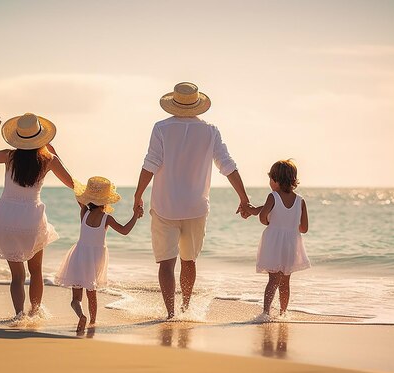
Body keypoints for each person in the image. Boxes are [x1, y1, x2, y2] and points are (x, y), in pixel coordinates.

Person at [133, 82, 259, 319]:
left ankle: (171, 313)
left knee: (166, 264)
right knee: (189, 261)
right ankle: (186, 308)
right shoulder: (210, 131)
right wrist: (244, 198)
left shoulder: (161, 128)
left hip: (164, 205)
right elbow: (227, 165)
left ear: (173, 104)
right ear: (198, 105)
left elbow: (151, 164)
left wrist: (138, 195)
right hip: (196, 207)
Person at [0, 113, 75, 320]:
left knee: (17, 276)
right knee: (36, 271)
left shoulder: (9, 156)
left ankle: (19, 315)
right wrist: (55, 154)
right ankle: (35, 311)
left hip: (5, 217)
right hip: (31, 218)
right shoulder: (48, 159)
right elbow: (71, 182)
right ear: (41, 137)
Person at [55, 176, 143, 332]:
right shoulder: (106, 218)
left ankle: (81, 315)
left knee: (75, 299)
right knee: (92, 293)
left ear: (89, 198)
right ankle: (93, 322)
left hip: (78, 256)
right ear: (106, 200)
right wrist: (135, 215)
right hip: (94, 259)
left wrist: (84, 194)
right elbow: (124, 230)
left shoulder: (84, 212)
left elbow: (78, 196)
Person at [256, 159, 310, 320]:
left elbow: (262, 216)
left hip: (274, 242)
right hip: (291, 244)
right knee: (285, 281)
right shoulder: (301, 201)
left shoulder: (272, 196)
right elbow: (304, 228)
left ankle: (266, 313)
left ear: (275, 180)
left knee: (273, 279)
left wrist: (268, 222)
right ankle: (283, 313)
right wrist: (291, 226)